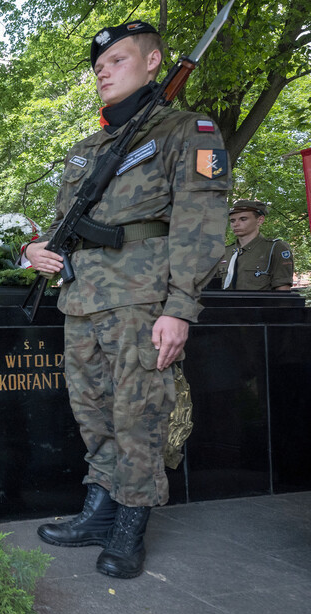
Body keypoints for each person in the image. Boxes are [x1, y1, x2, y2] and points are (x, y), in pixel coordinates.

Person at [25, 21, 229, 579]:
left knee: (138, 415)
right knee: (93, 413)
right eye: (98, 67)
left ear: (153, 61)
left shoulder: (187, 131)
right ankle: (99, 510)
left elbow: (200, 222)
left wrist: (180, 307)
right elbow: (64, 224)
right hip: (81, 301)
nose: (104, 73)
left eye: (117, 60)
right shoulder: (86, 150)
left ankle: (130, 524)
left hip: (142, 300)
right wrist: (34, 250)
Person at [214, 199, 293, 291]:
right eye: (232, 220)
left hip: (260, 300)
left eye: (243, 219)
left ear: (260, 220)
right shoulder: (224, 252)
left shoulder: (275, 248)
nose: (236, 224)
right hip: (225, 300)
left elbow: (283, 290)